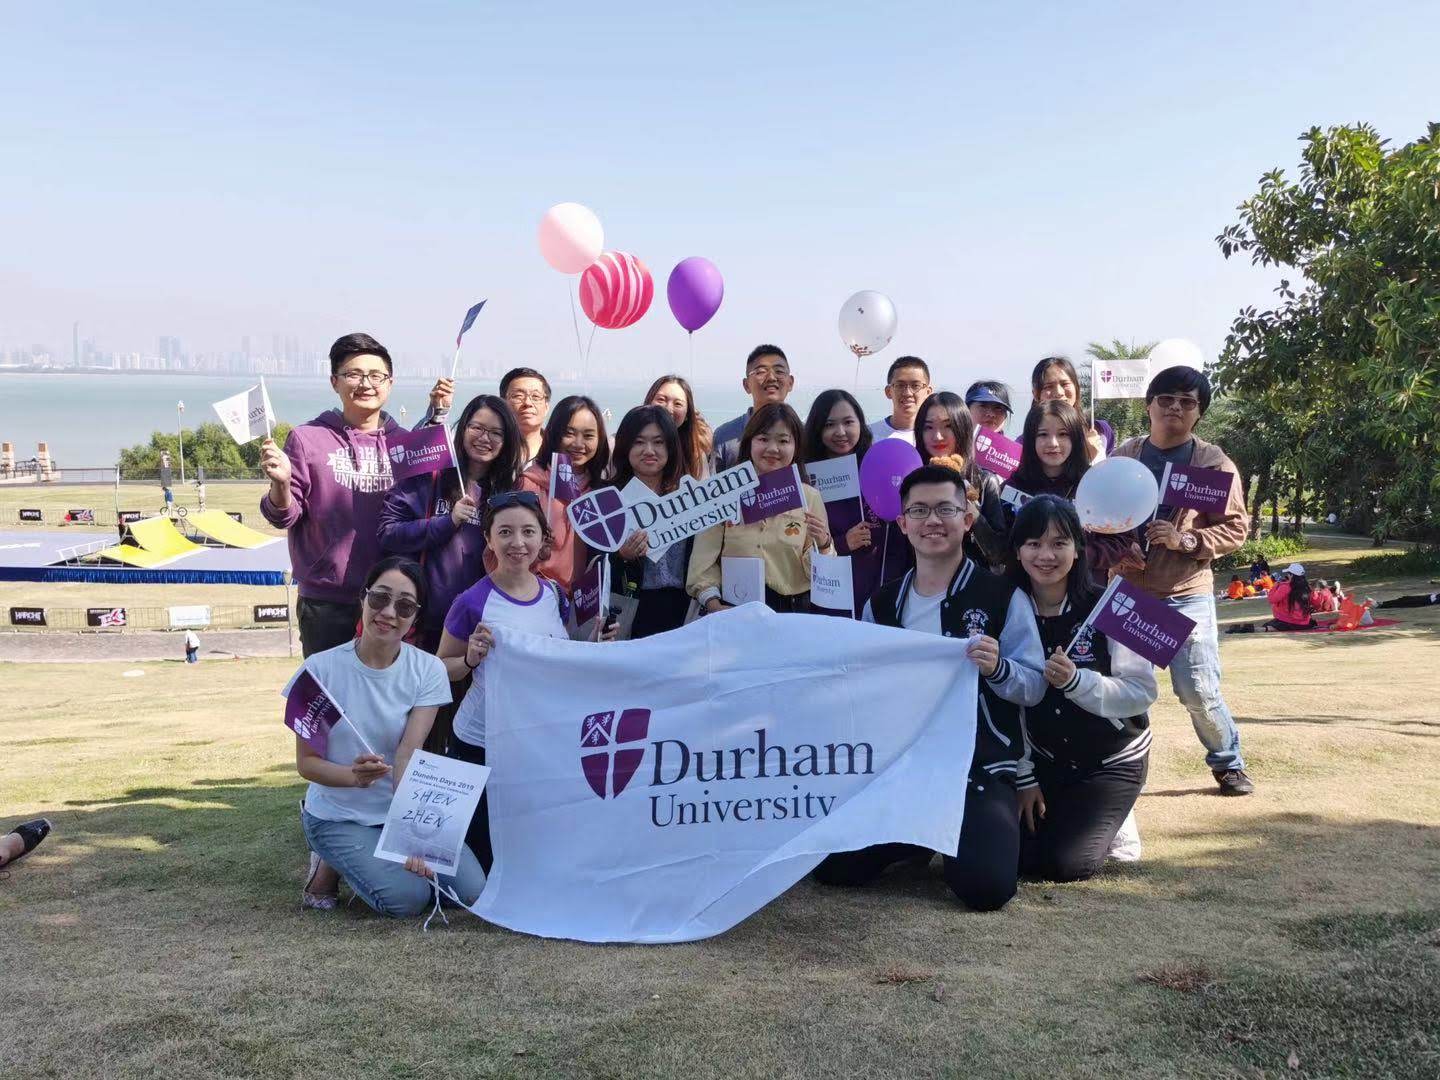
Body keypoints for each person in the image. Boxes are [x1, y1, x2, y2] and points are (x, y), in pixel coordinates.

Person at [814, 464, 1045, 910]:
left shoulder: (1000, 597)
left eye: (945, 509)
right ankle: (915, 840)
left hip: (978, 766)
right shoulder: (881, 603)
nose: (932, 521)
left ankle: (948, 833)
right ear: (902, 524)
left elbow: (1033, 686)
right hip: (905, 767)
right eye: (918, 511)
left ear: (968, 518)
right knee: (834, 869)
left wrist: (998, 669)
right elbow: (864, 687)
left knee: (986, 890)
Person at [295, 556, 484, 917]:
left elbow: (407, 754)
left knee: (472, 891)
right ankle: (327, 860)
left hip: (397, 810)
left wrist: (412, 834)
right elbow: (306, 764)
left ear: (415, 616)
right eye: (380, 598)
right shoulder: (319, 670)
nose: (389, 613)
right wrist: (353, 777)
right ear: (363, 599)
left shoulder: (428, 669)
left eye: (405, 605)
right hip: (337, 814)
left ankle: (376, 852)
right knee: (408, 900)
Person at [260, 333, 449, 657]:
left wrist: (437, 417)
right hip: (327, 602)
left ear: (389, 384)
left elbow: (423, 508)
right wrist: (280, 484)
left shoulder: (404, 443)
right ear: (335, 381)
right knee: (328, 702)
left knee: (388, 701)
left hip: (390, 600)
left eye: (376, 376)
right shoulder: (307, 439)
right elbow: (283, 516)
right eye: (353, 374)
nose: (365, 384)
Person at [1111, 366, 1254, 795]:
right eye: (1167, 398)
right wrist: (1117, 549)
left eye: (1187, 401)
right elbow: (1096, 518)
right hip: (1130, 595)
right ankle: (1116, 774)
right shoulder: (1125, 458)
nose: (1175, 407)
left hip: (1183, 595)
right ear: (1148, 404)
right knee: (1121, 691)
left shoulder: (1211, 462)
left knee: (1198, 692)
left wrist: (1186, 539)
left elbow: (1235, 528)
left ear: (1198, 414)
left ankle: (1228, 764)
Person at [1006, 495, 1158, 881]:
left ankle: (1117, 815)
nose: (1046, 555)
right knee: (1012, 854)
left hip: (1111, 759)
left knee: (1065, 864)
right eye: (1034, 543)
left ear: (1078, 550)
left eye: (1059, 543)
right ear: (1018, 550)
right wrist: (1025, 775)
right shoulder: (1005, 609)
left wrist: (1078, 682)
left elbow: (1141, 691)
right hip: (1046, 760)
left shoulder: (1116, 603)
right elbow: (1009, 703)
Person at [438, 492, 588, 871]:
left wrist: (598, 642)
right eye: (505, 532)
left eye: (527, 532)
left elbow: (563, 657)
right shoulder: (472, 601)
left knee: (526, 842)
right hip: (479, 742)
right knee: (482, 856)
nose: (517, 543)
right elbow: (440, 669)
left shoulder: (554, 594)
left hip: (534, 740)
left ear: (542, 539)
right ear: (489, 539)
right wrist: (470, 658)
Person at [378, 394, 525, 655]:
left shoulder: (506, 493)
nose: (484, 438)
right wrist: (447, 522)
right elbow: (388, 533)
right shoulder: (427, 474)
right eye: (477, 427)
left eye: (495, 433)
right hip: (419, 622)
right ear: (463, 427)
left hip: (475, 625)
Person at [689, 403, 835, 615]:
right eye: (763, 439)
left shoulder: (809, 497)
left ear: (796, 447)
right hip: (733, 609)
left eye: (783, 441)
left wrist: (824, 544)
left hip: (791, 612)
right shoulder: (724, 496)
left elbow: (819, 575)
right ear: (749, 443)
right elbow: (701, 565)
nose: (773, 449)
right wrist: (713, 603)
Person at [802, 389, 908, 615]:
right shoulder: (807, 478)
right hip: (832, 595)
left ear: (860, 423)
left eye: (848, 422)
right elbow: (798, 546)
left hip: (883, 588)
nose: (841, 432)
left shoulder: (880, 468)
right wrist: (841, 543)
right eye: (829, 424)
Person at [608, 406, 694, 638]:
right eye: (639, 442)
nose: (649, 450)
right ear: (625, 445)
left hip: (683, 610)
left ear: (671, 447)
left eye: (658, 442)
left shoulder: (687, 495)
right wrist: (621, 556)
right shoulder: (609, 498)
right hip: (631, 608)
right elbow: (593, 563)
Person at [518, 394, 611, 592]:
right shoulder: (528, 484)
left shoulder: (601, 493)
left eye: (588, 436)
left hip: (582, 606)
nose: (578, 444)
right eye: (569, 433)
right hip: (534, 595)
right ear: (553, 434)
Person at [914, 391, 1008, 568]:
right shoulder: (912, 480)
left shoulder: (985, 481)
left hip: (972, 585)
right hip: (924, 583)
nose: (938, 436)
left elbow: (999, 553)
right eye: (928, 427)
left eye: (947, 426)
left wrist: (973, 514)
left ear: (963, 428)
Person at [711, 345, 795, 471]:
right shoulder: (724, 436)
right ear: (746, 385)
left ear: (790, 383)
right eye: (761, 372)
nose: (771, 378)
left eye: (779, 371)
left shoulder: (804, 434)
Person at [1032, 356, 1110, 461]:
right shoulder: (1026, 442)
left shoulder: (1101, 430)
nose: (1059, 392)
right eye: (1049, 386)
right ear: (1036, 394)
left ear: (1077, 388)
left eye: (1065, 384)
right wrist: (1086, 458)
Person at [1007, 401, 1091, 499]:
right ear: (1031, 439)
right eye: (1043, 434)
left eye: (1063, 434)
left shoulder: (1092, 483)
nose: (1053, 443)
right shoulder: (1012, 488)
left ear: (1075, 438)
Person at [646, 375, 712, 479]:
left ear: (687, 415)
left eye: (678, 404)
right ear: (648, 402)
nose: (668, 409)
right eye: (661, 400)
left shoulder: (695, 456)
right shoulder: (625, 443)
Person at [869, 356, 931, 445]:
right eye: (900, 385)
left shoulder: (935, 438)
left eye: (915, 386)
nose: (907, 393)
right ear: (888, 391)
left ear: (928, 392)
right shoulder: (868, 435)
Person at [500, 367, 552, 467]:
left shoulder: (558, 452)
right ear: (502, 403)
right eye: (518, 396)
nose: (527, 403)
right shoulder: (490, 449)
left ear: (546, 407)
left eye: (536, 396)